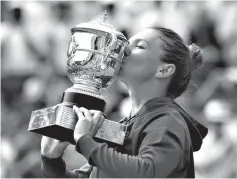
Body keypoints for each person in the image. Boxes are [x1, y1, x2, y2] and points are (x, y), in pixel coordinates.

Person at [40, 27, 208, 178]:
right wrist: (51, 160)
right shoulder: (123, 126)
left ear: (164, 70)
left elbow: (147, 172)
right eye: (128, 43)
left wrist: (85, 141)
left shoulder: (168, 121)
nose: (124, 49)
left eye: (140, 46)